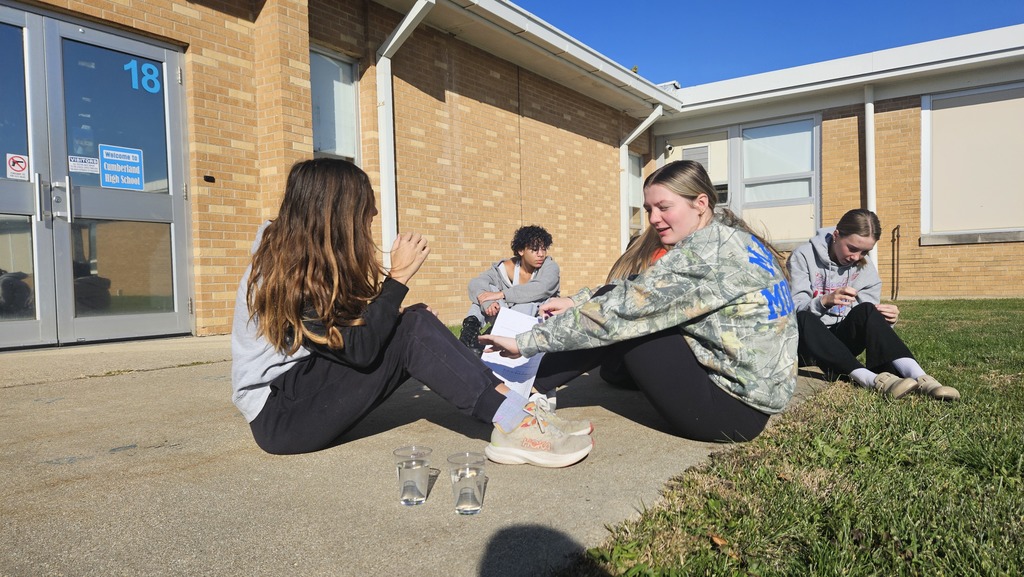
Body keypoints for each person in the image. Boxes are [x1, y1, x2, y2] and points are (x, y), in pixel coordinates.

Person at [230, 158, 592, 466]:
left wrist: (394, 312)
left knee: (413, 322)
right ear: (335, 213)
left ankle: (517, 408)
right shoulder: (282, 270)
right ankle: (513, 424)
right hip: (282, 414)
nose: (372, 213)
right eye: (364, 207)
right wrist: (398, 278)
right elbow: (359, 348)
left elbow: (348, 333)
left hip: (302, 391)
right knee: (411, 331)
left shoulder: (301, 256)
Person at [480, 160, 799, 444]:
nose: (654, 218)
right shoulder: (729, 238)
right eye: (649, 209)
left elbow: (619, 312)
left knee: (621, 321)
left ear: (700, 203)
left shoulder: (706, 254)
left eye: (664, 207)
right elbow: (645, 288)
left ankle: (519, 389)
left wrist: (526, 342)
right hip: (752, 401)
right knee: (614, 314)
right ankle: (531, 383)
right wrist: (579, 301)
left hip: (729, 413)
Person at [786, 208, 960, 401]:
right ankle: (870, 379)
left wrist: (885, 319)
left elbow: (866, 319)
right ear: (836, 235)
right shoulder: (803, 256)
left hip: (841, 343)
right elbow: (791, 312)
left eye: (865, 251)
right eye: (852, 248)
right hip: (807, 344)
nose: (856, 257)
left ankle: (921, 378)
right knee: (804, 317)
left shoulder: (864, 265)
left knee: (868, 310)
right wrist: (824, 301)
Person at [458, 225, 560, 354]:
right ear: (521, 250)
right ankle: (469, 334)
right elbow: (476, 283)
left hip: (537, 320)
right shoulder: (504, 268)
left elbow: (542, 288)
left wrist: (501, 294)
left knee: (529, 301)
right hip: (505, 315)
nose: (541, 254)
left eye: (544, 249)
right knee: (486, 291)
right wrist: (488, 302)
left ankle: (494, 334)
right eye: (535, 249)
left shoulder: (550, 266)